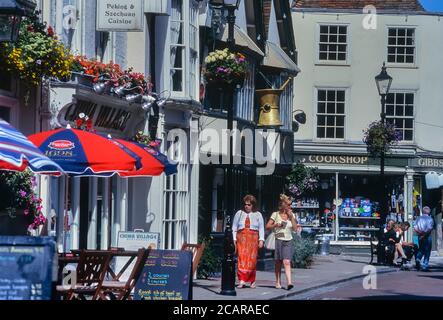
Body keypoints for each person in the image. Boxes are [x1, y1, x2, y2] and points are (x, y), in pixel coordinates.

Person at [232, 195, 265, 289]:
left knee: (252, 260)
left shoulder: (258, 214)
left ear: (253, 205)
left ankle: (252, 280)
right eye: (245, 204)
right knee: (241, 258)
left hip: (253, 239)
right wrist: (234, 239)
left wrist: (261, 240)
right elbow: (234, 227)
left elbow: (261, 228)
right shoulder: (239, 213)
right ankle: (242, 280)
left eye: (249, 205)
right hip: (241, 238)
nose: (247, 206)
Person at [266, 194, 298, 290]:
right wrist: (276, 224)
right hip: (278, 239)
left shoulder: (292, 215)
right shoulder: (275, 214)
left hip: (288, 240)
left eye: (290, 205)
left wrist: (291, 217)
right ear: (283, 205)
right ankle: (278, 281)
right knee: (278, 262)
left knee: (287, 261)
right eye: (288, 205)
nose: (290, 207)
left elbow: (295, 229)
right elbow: (267, 226)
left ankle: (289, 282)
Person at [414, 206, 435, 272]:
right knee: (427, 251)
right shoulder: (430, 219)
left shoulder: (418, 218)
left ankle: (418, 259)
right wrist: (424, 235)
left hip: (419, 236)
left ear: (423, 211)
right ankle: (425, 266)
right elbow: (430, 228)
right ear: (428, 212)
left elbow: (415, 227)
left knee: (421, 249)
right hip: (427, 236)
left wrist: (420, 234)